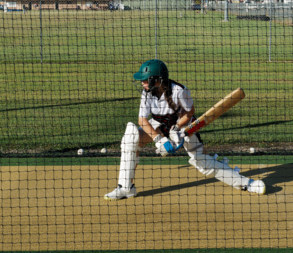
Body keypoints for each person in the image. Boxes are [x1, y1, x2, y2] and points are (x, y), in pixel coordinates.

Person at [104, 59, 266, 200]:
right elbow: (142, 120)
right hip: (159, 124)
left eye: (146, 80)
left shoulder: (179, 91)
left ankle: (248, 184)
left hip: (184, 125)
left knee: (202, 163)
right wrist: (159, 139)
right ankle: (126, 188)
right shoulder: (147, 92)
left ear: (159, 80)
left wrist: (177, 130)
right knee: (130, 138)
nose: (143, 83)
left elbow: (189, 113)